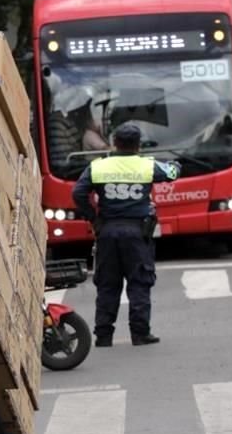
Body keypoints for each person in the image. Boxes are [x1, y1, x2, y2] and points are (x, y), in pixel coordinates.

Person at [71, 122, 180, 348]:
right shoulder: (146, 166)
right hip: (137, 232)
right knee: (139, 282)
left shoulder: (99, 166)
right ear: (138, 145)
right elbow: (171, 173)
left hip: (108, 231)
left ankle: (103, 335)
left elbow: (78, 193)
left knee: (108, 284)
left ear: (115, 143)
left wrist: (94, 217)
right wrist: (176, 165)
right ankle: (140, 334)